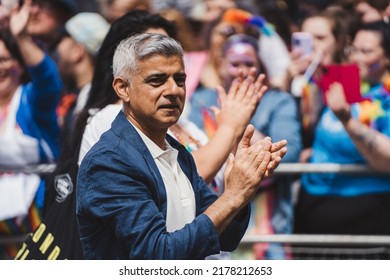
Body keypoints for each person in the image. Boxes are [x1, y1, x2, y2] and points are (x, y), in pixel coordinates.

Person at [76, 33, 288, 259]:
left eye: (179, 79)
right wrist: (233, 196)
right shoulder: (110, 162)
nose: (173, 90)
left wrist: (244, 183)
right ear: (122, 88)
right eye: (157, 80)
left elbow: (226, 237)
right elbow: (158, 256)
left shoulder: (177, 152)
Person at [14, 9, 177, 260]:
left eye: (170, 48)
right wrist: (230, 129)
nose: (163, 57)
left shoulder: (180, 118)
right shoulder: (108, 119)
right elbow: (170, 185)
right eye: (150, 49)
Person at [188, 33, 301, 259]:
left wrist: (238, 120)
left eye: (249, 63)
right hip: (211, 207)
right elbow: (193, 153)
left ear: (260, 66)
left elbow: (291, 154)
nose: (241, 71)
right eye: (234, 63)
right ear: (221, 66)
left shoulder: (278, 101)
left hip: (265, 219)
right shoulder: (203, 98)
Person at [294, 20, 390, 245]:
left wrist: (347, 121)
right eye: (353, 49)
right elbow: (311, 126)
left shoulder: (385, 99)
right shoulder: (344, 84)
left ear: (386, 57)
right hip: (313, 208)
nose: (356, 57)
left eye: (366, 51)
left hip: (364, 218)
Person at [0, 0, 62, 259]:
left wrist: (22, 37)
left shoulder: (31, 102)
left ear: (20, 64)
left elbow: (49, 81)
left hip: (39, 231)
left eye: (4, 59)